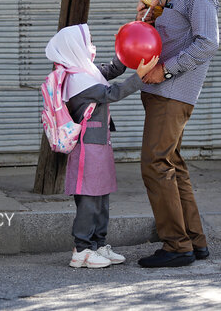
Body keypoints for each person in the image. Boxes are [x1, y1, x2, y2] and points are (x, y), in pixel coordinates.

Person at [135, 0, 220, 268]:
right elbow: (168, 36)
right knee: (172, 164)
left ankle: (176, 246)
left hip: (172, 93)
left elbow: (207, 43)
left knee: (155, 164)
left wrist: (165, 71)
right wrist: (147, 16)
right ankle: (194, 242)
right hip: (160, 92)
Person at [45, 23, 159, 269]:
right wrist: (139, 77)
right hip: (87, 147)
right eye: (88, 41)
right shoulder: (77, 81)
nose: (91, 46)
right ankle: (82, 250)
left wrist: (126, 41)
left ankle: (98, 244)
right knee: (88, 198)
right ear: (75, 47)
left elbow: (113, 69)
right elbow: (112, 93)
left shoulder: (86, 72)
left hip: (99, 144)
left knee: (101, 196)